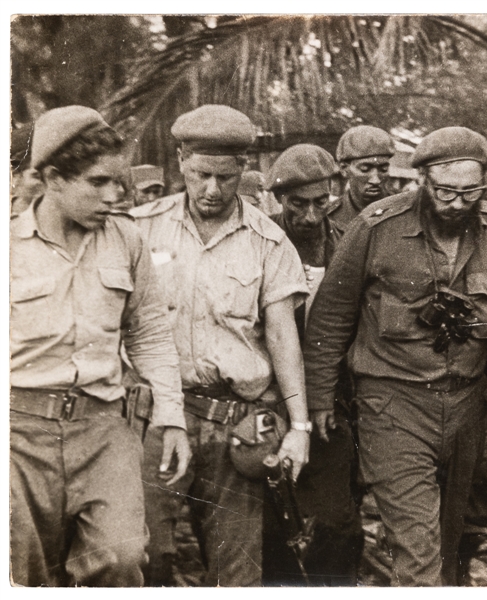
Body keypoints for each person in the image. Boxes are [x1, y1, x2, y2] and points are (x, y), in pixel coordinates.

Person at [305, 126, 487, 586]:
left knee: (452, 542)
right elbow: (330, 319)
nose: (457, 203)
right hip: (393, 407)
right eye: (446, 192)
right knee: (418, 550)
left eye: (470, 192)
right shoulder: (376, 227)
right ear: (421, 181)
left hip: (468, 409)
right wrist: (319, 401)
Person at [130, 104, 311, 587]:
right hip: (155, 418)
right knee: (144, 556)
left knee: (237, 570)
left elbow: (282, 339)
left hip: (235, 424)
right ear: (181, 162)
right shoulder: (140, 228)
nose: (212, 190)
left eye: (226, 178)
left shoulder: (269, 241)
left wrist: (300, 427)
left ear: (244, 172)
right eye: (200, 175)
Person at [10, 106, 190, 586]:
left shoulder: (126, 239)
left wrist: (172, 417)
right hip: (17, 433)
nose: (116, 195)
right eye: (98, 182)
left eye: (120, 182)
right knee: (20, 567)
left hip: (103, 426)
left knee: (122, 556)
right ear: (52, 178)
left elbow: (149, 332)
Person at [263, 143, 364, 585]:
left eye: (320, 203)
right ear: (278, 200)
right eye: (296, 204)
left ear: (334, 195)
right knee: (268, 523)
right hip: (267, 401)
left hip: (330, 403)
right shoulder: (260, 241)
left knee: (339, 522)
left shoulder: (348, 247)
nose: (309, 217)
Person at [327, 125, 396, 230]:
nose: (376, 180)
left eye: (383, 169)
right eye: (365, 169)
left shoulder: (404, 210)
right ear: (344, 169)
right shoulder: (328, 218)